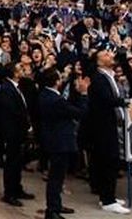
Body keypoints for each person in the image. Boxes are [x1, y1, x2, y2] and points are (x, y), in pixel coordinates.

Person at [38, 67, 89, 219]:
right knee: (56, 177)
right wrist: (83, 94)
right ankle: (52, 209)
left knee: (58, 176)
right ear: (55, 81)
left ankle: (56, 204)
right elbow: (80, 112)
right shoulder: (55, 100)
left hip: (54, 139)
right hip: (59, 141)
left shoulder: (45, 95)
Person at [86, 48, 130, 214]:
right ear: (98, 61)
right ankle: (107, 200)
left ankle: (108, 195)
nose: (111, 55)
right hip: (103, 126)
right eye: (105, 54)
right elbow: (106, 100)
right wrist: (124, 101)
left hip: (113, 124)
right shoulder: (98, 78)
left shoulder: (111, 76)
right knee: (107, 161)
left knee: (111, 161)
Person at [0, 62, 35, 206]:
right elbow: (11, 112)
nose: (23, 71)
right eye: (19, 69)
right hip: (12, 132)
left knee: (17, 162)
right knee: (11, 163)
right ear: (13, 73)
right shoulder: (6, 89)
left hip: (19, 131)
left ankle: (17, 188)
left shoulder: (17, 87)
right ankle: (9, 192)